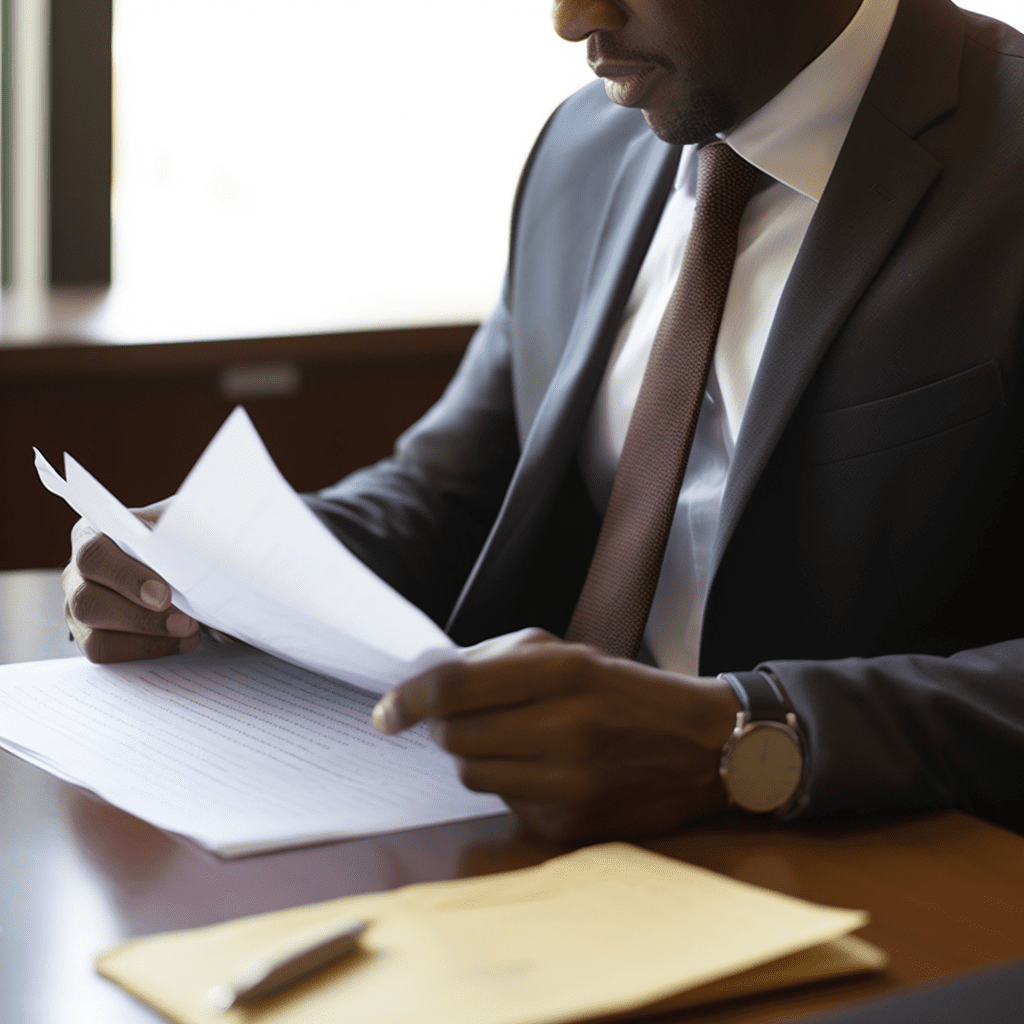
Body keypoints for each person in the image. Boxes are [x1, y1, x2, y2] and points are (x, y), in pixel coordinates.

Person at [64, 0, 1024, 841]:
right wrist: (214, 565)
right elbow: (450, 492)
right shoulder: (585, 145)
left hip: (885, 866)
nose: (570, 18)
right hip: (530, 837)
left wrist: (745, 733)